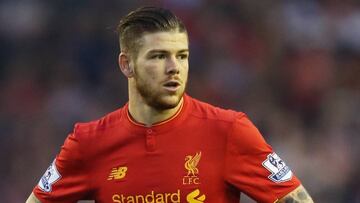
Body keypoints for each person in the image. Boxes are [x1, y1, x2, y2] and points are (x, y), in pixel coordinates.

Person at [26, 6, 314, 203]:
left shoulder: (228, 130)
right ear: (127, 65)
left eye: (183, 55)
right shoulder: (88, 142)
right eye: (158, 56)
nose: (174, 67)